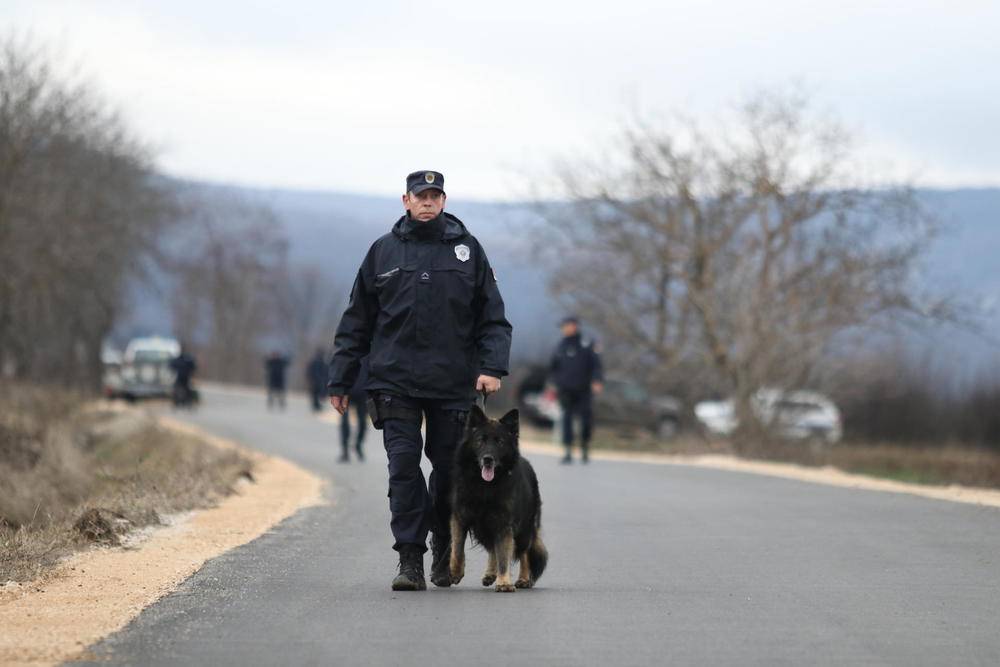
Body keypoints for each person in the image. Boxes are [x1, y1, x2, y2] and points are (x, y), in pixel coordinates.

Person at [327, 170, 511, 591]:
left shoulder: (468, 251)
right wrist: (341, 378)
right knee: (403, 469)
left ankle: (444, 543)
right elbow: (357, 320)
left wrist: (492, 367)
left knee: (448, 471)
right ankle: (409, 558)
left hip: (452, 382)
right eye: (419, 196)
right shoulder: (383, 252)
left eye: (435, 195)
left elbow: (493, 318)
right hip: (395, 381)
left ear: (444, 201)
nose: (427, 202)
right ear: (405, 201)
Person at [548, 315, 603, 464]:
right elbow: (553, 367)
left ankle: (584, 446)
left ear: (574, 326)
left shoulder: (586, 344)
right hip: (565, 390)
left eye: (566, 326)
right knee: (566, 419)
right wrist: (553, 384)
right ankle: (567, 451)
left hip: (584, 389)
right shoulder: (560, 346)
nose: (564, 329)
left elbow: (596, 365)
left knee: (586, 420)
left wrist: (597, 380)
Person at [338, 359, 369, 463]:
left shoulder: (370, 347)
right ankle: (345, 450)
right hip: (347, 391)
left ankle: (358, 445)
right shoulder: (347, 344)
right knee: (344, 422)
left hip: (362, 393)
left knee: (363, 423)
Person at [169, 343, 198, 408]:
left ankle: (188, 402)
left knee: (187, 390)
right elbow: (171, 365)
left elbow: (193, 366)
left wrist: (192, 373)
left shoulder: (188, 358)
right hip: (179, 377)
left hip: (186, 377)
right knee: (176, 389)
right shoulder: (178, 359)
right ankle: (177, 402)